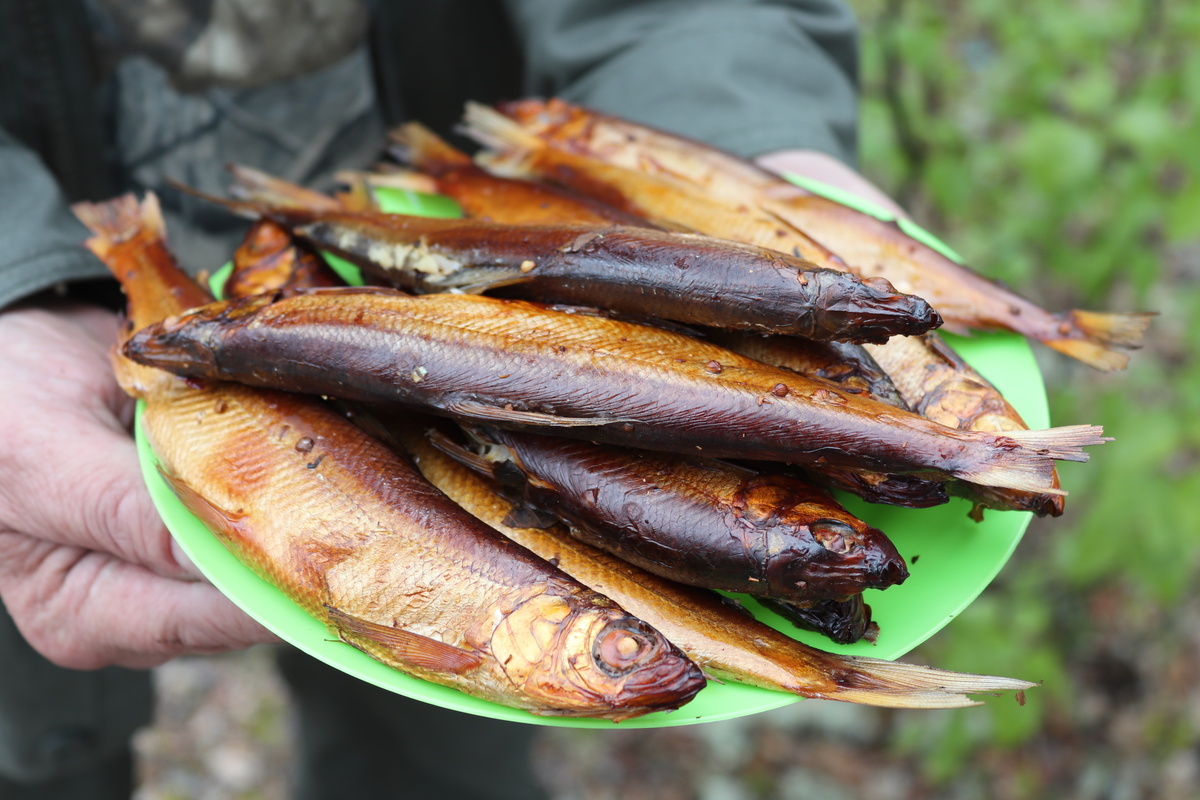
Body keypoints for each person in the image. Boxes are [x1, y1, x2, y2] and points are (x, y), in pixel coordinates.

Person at [0, 1, 899, 797]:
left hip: (451, 246)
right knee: (38, 750)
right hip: (37, 354)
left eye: (617, 652)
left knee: (435, 758)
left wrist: (731, 175)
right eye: (616, 651)